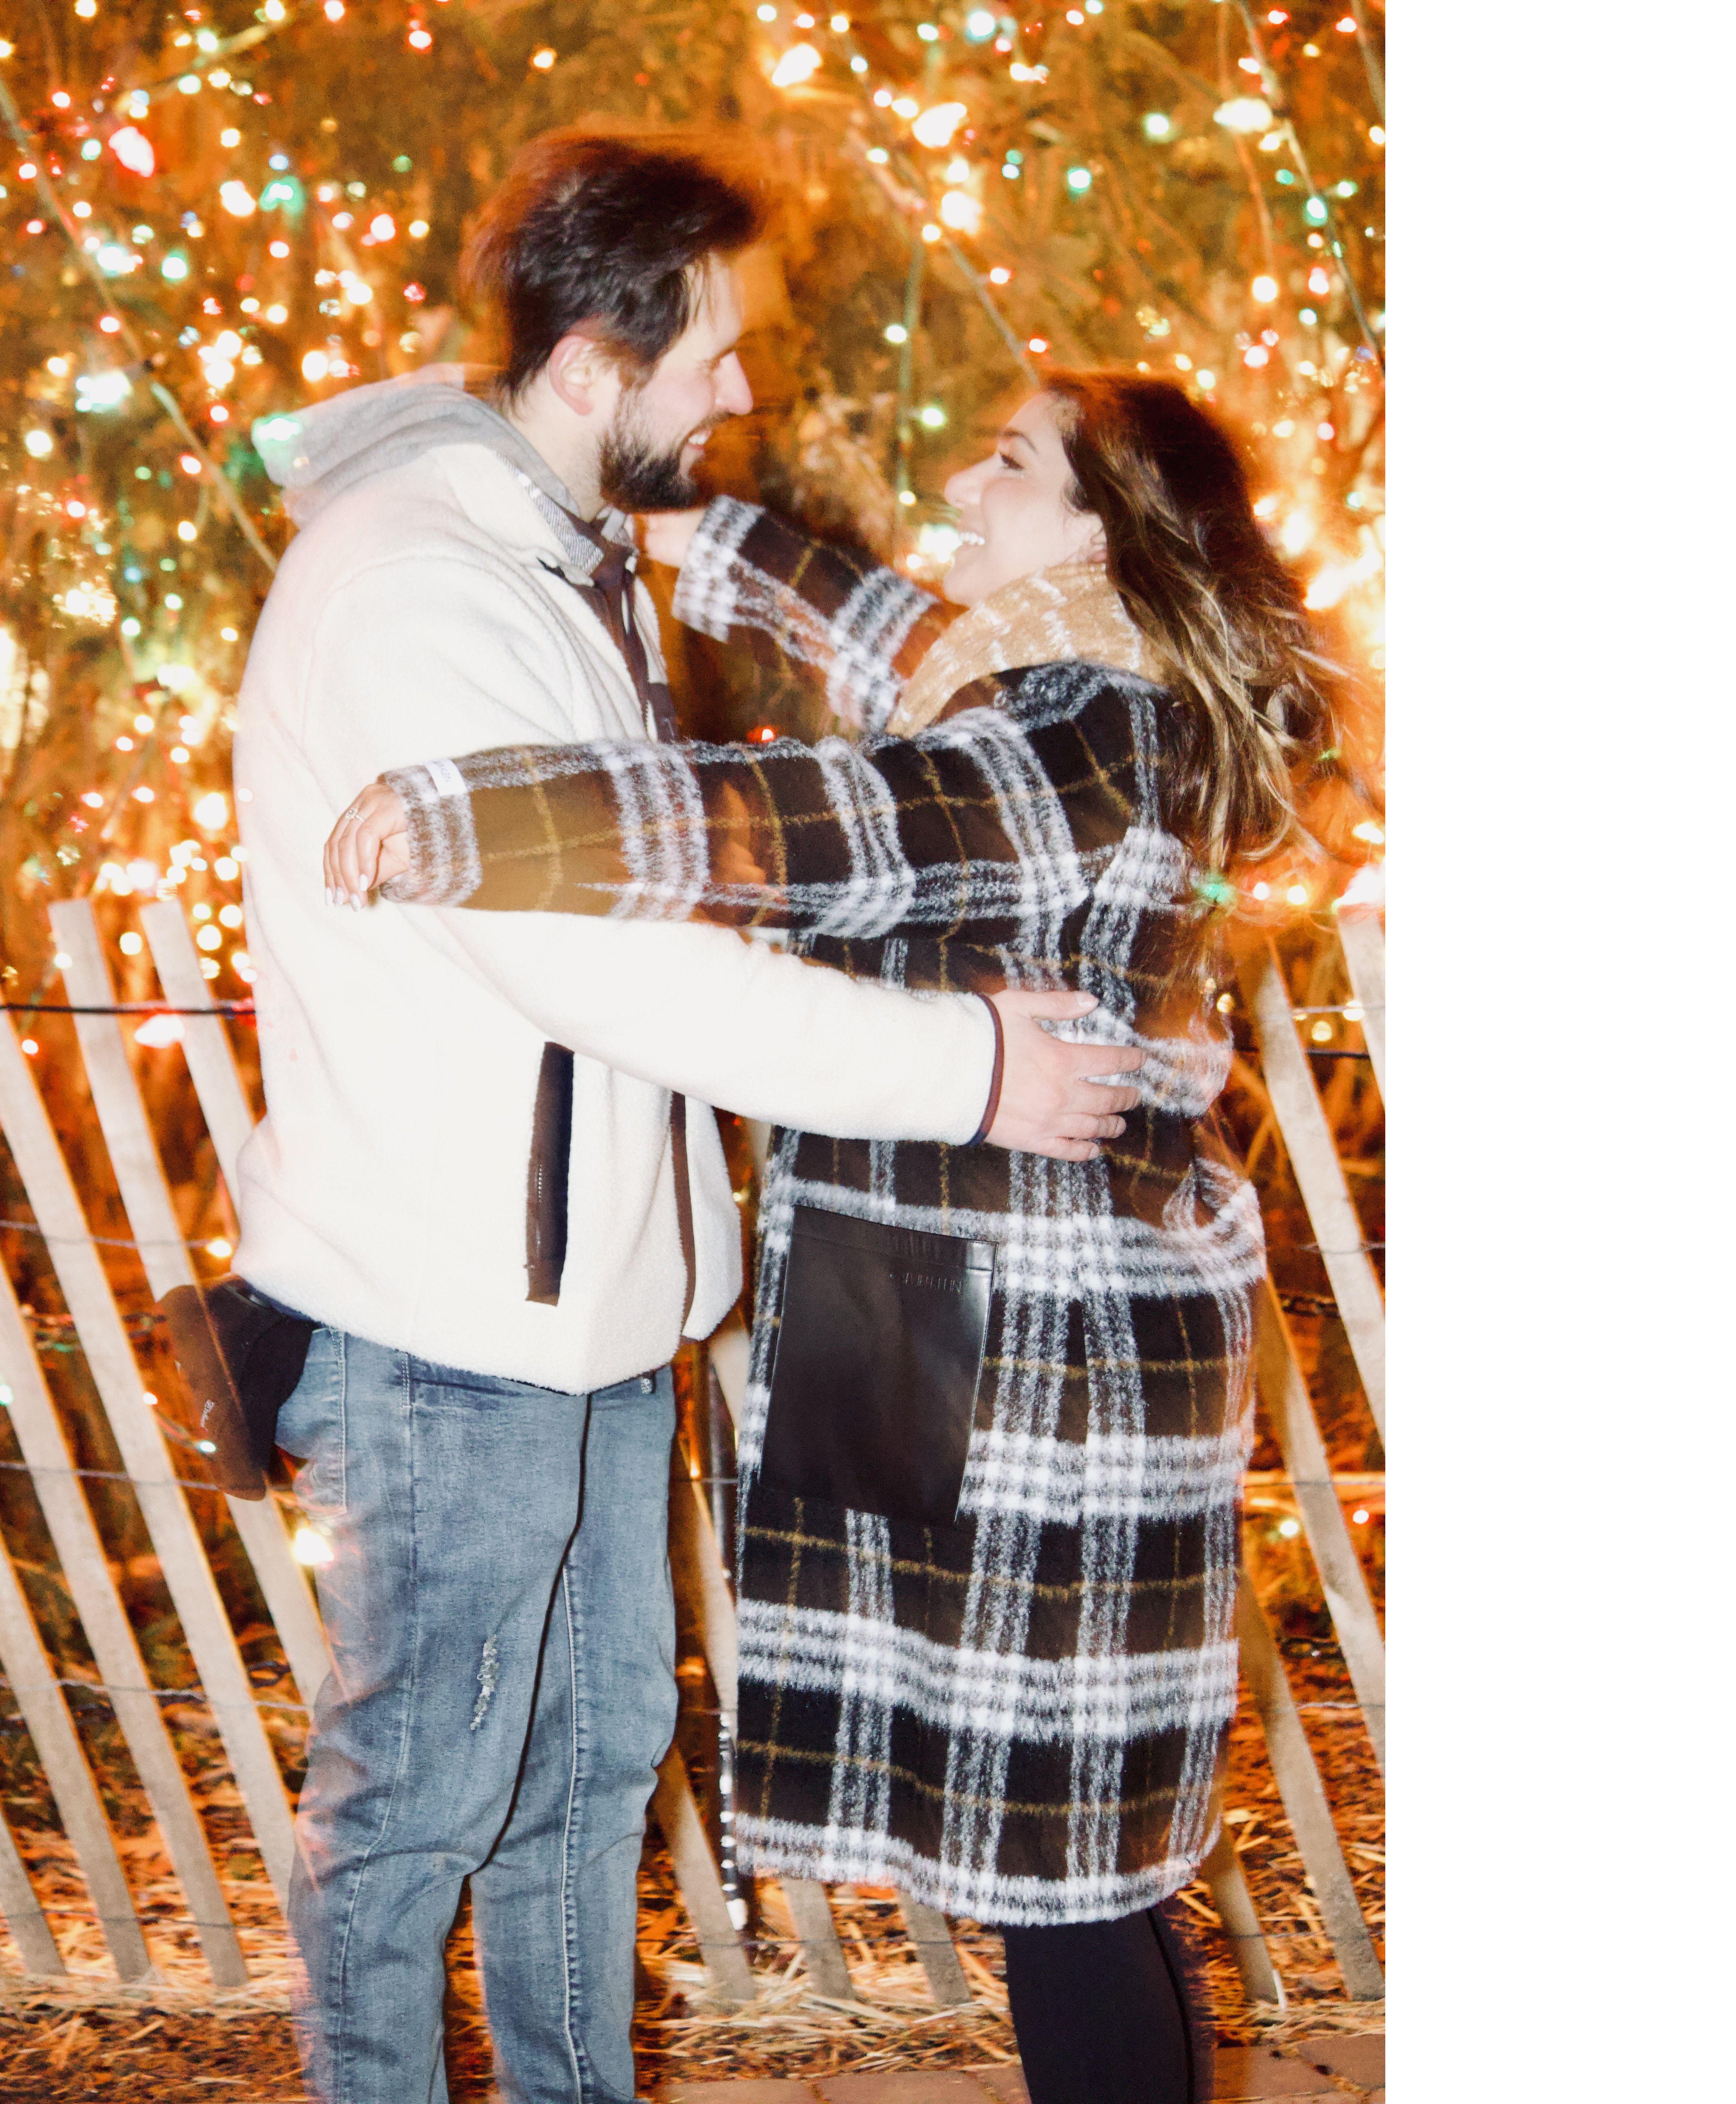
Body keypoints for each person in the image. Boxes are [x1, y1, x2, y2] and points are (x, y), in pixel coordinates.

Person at [325, 368, 1372, 2104]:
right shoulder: (1074, 678)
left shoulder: (1076, 727)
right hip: (1018, 1334)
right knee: (1076, 1874)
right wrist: (696, 529)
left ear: (1098, 529)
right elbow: (894, 639)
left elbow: (817, 822)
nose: (963, 480)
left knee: (1065, 1888)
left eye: (1010, 461)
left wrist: (479, 814)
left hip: (1045, 1372)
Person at [230, 131, 1146, 2104]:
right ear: (590, 365)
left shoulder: (554, 551)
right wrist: (975, 1065)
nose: (747, 387)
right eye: (716, 351)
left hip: (579, 1313)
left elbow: (751, 799)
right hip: (452, 1320)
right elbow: (614, 966)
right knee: (419, 1809)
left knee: (588, 1778)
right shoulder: (419, 588)